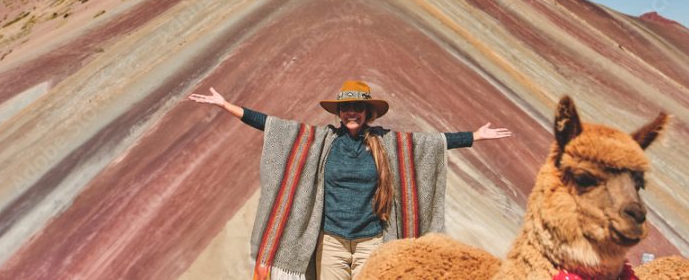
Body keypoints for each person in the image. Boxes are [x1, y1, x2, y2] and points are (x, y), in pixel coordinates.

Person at [188, 79, 511, 280]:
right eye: (346, 108)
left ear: (368, 112)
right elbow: (273, 125)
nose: (351, 112)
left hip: (372, 241)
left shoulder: (386, 143)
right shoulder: (322, 140)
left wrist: (473, 136)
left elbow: (427, 144)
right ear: (339, 113)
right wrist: (226, 105)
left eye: (357, 107)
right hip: (332, 242)